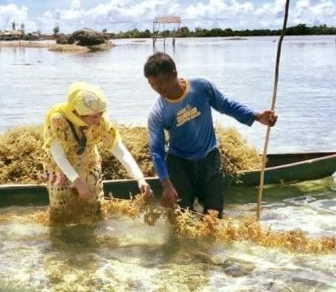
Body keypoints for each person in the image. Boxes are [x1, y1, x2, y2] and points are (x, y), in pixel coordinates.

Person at [143, 52, 277, 218]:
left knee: (214, 215)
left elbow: (225, 105)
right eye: (152, 85)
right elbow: (157, 151)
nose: (158, 90)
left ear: (174, 74)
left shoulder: (201, 87)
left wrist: (256, 116)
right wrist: (166, 184)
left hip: (209, 158)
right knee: (182, 216)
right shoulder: (158, 113)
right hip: (179, 163)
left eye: (161, 83)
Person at [43, 82, 153, 220]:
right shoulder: (58, 120)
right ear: (78, 113)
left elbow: (119, 150)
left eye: (101, 114)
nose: (99, 119)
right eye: (94, 116)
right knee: (62, 214)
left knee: (94, 211)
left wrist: (140, 179)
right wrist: (77, 181)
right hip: (62, 169)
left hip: (89, 164)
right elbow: (58, 156)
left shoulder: (100, 120)